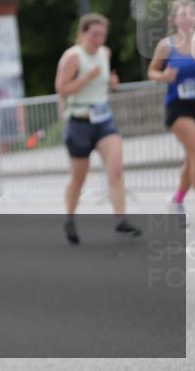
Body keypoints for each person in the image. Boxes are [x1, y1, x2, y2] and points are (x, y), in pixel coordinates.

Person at [55, 13, 141, 244]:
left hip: (103, 120)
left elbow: (102, 85)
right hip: (79, 121)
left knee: (116, 169)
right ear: (83, 33)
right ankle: (70, 218)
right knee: (79, 178)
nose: (99, 39)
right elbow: (61, 89)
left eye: (102, 35)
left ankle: (121, 220)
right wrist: (85, 78)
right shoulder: (73, 57)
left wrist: (112, 84)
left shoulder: (105, 53)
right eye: (94, 35)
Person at [147, 0, 195, 221]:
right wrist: (163, 76)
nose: (188, 17)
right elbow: (151, 72)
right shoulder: (166, 45)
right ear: (174, 20)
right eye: (182, 14)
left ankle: (177, 200)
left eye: (191, 12)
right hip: (178, 105)